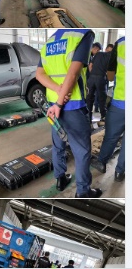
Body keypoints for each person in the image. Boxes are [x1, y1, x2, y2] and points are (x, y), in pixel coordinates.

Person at [37, 29, 102, 198]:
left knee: (58, 144)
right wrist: (61, 101)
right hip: (72, 105)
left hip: (52, 105)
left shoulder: (50, 41)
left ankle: (60, 179)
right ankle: (83, 191)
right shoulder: (83, 35)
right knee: (82, 150)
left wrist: (57, 92)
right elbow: (73, 74)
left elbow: (39, 74)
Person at [92, 36, 125, 182]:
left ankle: (102, 162)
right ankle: (120, 172)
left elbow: (110, 77)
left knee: (111, 136)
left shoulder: (122, 43)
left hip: (120, 102)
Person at [86, 42, 110, 121]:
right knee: (102, 99)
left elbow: (90, 66)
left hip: (91, 79)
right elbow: (110, 72)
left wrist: (92, 74)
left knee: (89, 99)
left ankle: (89, 118)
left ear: (106, 49)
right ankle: (103, 117)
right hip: (101, 78)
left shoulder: (98, 54)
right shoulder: (111, 57)